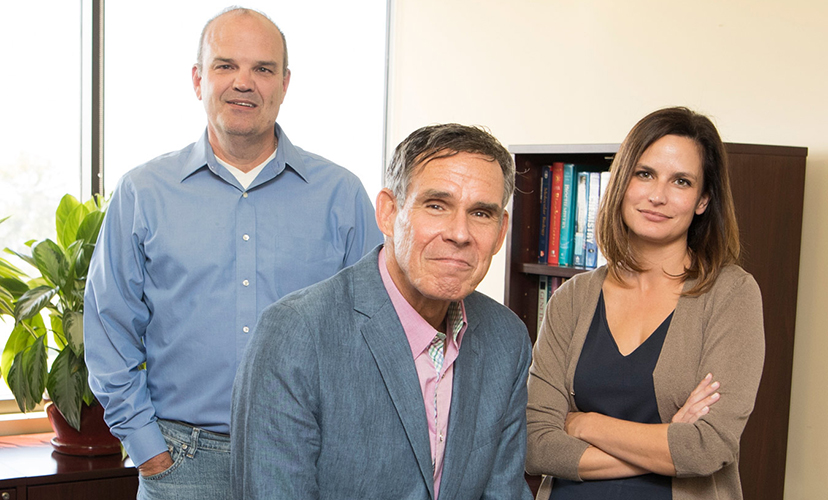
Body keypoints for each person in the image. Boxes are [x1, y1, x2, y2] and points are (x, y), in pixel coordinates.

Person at [83, 7, 381, 499]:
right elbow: (108, 326)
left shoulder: (341, 195)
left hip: (309, 459)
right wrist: (146, 447)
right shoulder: (142, 192)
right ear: (198, 79)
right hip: (182, 463)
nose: (244, 82)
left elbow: (374, 333)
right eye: (225, 66)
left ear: (285, 84)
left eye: (262, 69)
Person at [232, 123, 533, 500]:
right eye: (437, 205)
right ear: (389, 212)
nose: (460, 233)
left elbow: (503, 493)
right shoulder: (296, 333)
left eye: (481, 213)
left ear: (502, 230)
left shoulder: (507, 338)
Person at [526, 107, 765, 499]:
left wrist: (583, 424)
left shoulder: (731, 294)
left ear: (703, 200)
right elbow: (537, 444)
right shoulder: (572, 298)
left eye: (681, 182)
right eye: (645, 174)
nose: (658, 195)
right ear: (622, 182)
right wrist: (668, 442)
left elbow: (708, 448)